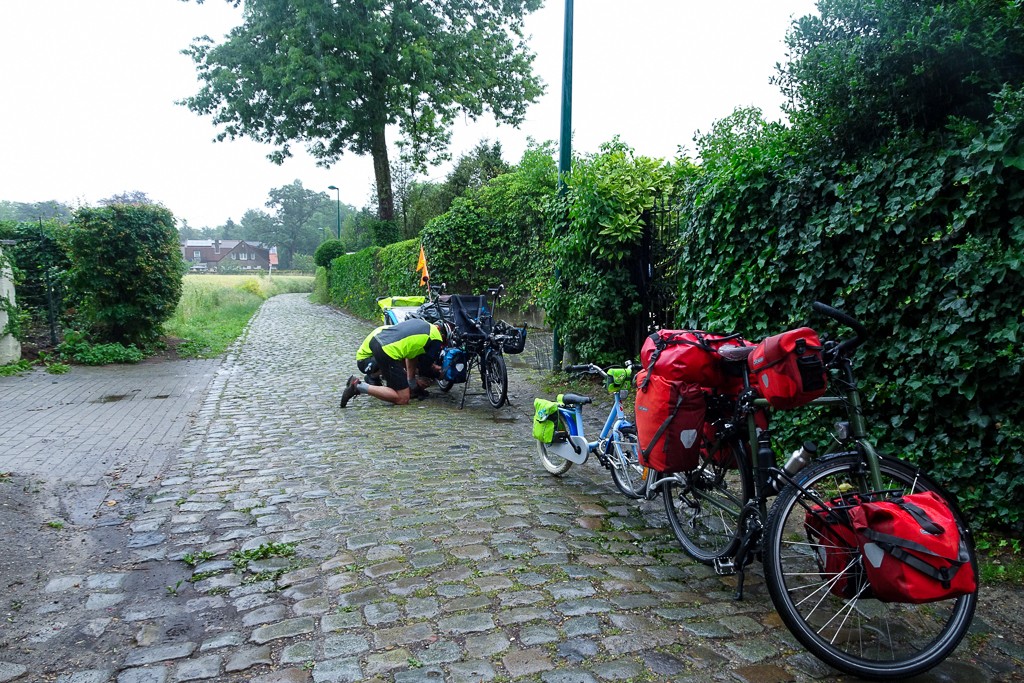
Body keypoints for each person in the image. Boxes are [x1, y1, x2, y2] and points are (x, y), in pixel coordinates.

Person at [340, 318, 444, 407]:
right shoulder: (436, 338)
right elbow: (424, 368)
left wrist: (412, 382)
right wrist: (438, 374)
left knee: (404, 369)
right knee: (403, 398)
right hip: (376, 356)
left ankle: (376, 380)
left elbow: (411, 357)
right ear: (442, 335)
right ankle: (357, 387)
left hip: (379, 346)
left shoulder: (422, 324)